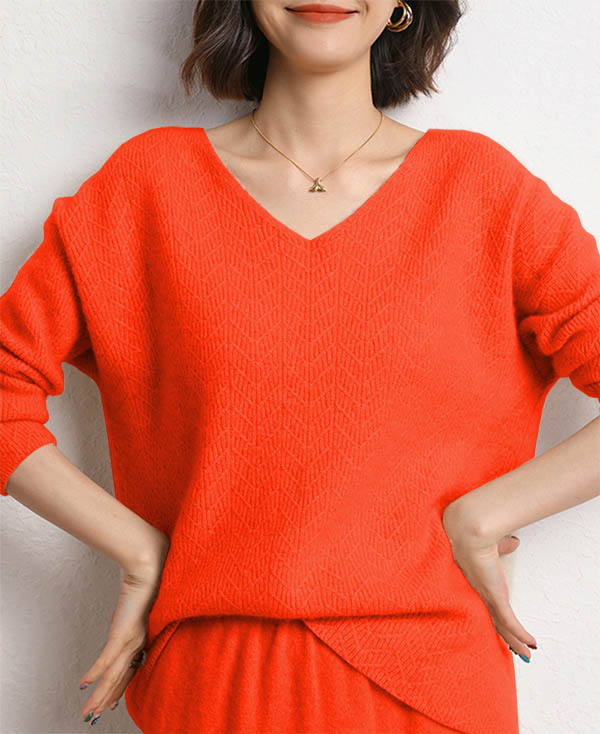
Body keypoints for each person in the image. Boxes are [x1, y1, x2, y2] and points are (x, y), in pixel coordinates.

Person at [2, 1, 599, 732]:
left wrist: (484, 516)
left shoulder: (483, 192)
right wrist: (140, 551)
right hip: (213, 684)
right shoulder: (146, 188)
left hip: (433, 687)